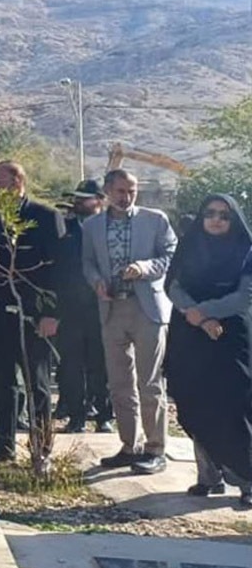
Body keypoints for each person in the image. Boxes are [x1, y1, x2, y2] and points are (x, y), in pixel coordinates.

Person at [82, 169, 177, 475]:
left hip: (147, 308)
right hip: (112, 308)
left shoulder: (155, 220)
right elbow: (88, 262)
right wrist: (96, 282)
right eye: (121, 191)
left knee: (149, 382)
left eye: (132, 191)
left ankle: (155, 449)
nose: (127, 197)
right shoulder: (92, 225)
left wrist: (144, 267)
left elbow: (171, 255)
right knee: (120, 382)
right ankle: (129, 445)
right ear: (108, 191)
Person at [0, 161, 63, 464]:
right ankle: (3, 446)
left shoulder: (45, 217)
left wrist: (52, 313)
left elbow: (60, 270)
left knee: (37, 383)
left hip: (35, 314)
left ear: (17, 183)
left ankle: (41, 451)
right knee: (2, 382)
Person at [164, 195, 252, 506]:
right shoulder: (189, 246)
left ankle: (247, 479)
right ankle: (209, 477)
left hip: (230, 337)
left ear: (234, 221)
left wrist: (205, 312)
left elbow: (244, 296)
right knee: (194, 402)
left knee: (233, 408)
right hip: (190, 336)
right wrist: (198, 318)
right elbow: (173, 286)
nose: (216, 220)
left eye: (224, 216)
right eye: (210, 213)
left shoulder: (246, 250)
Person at [57, 180, 114, 433]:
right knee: (71, 365)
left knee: (101, 365)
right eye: (77, 198)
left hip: (103, 305)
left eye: (84, 198)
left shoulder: (110, 227)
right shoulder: (64, 228)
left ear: (99, 200)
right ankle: (76, 417)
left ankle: (104, 415)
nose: (78, 202)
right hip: (70, 308)